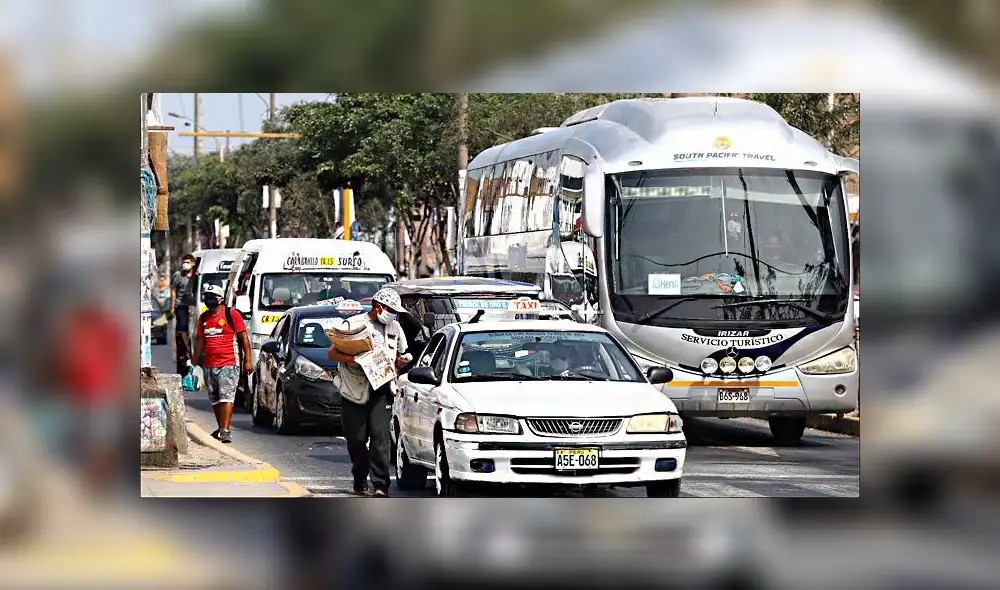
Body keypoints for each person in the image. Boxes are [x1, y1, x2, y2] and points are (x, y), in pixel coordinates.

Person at [328, 288, 410, 497]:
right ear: (378, 307)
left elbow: (400, 354)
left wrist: (400, 362)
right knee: (356, 439)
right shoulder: (353, 324)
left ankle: (381, 485)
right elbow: (332, 353)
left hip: (381, 390)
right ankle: (359, 478)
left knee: (380, 438)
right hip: (354, 390)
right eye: (390, 309)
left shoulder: (395, 327)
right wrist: (357, 360)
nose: (393, 314)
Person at [192, 284, 252, 444]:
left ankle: (225, 430)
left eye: (212, 297)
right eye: (206, 297)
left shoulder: (231, 314)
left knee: (227, 396)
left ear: (220, 299)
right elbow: (200, 341)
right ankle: (220, 428)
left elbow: (244, 338)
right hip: (209, 365)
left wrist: (248, 360)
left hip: (229, 363)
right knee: (215, 399)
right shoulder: (203, 318)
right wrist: (194, 362)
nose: (208, 300)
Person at [171, 253, 197, 374]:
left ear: (193, 263)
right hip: (181, 305)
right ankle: (186, 348)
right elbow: (173, 290)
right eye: (184, 262)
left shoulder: (196, 276)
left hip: (193, 305)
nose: (185, 264)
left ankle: (193, 347)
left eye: (188, 262)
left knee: (193, 328)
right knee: (182, 329)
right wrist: (172, 307)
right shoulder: (178, 275)